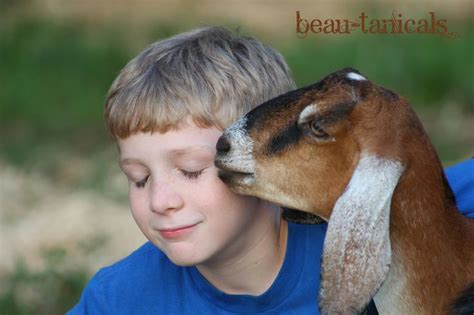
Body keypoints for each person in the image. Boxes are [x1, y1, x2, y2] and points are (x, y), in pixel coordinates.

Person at [68, 27, 474, 314]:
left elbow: (435, 200)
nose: (161, 201)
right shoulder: (118, 300)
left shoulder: (365, 226)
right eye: (138, 178)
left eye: (192, 171)